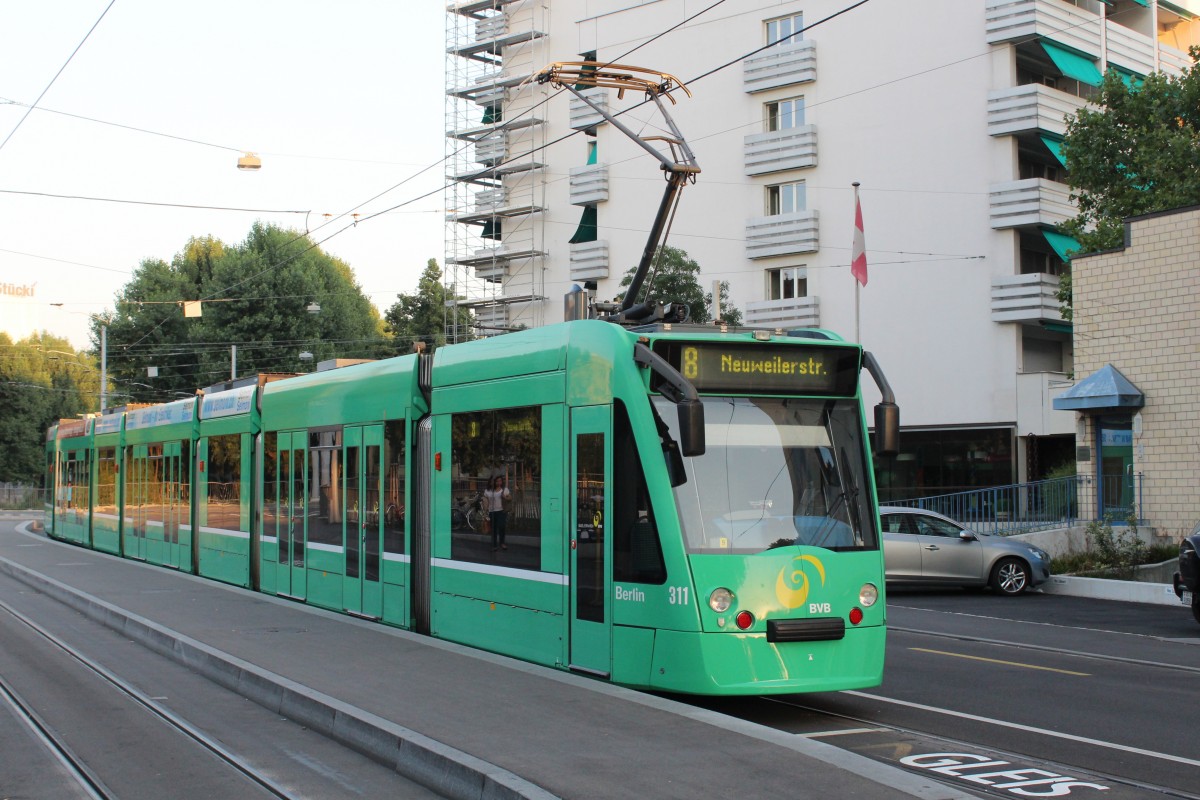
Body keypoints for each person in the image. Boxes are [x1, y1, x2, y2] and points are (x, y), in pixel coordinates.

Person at [483, 474, 511, 551]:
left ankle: (502, 543)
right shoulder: (487, 491)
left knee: (502, 526)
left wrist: (505, 497)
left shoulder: (504, 489)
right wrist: (485, 512)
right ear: (492, 482)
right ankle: (494, 545)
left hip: (501, 511)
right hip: (492, 512)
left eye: (500, 481)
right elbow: (486, 501)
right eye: (497, 481)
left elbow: (510, 497)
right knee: (494, 529)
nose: (499, 482)